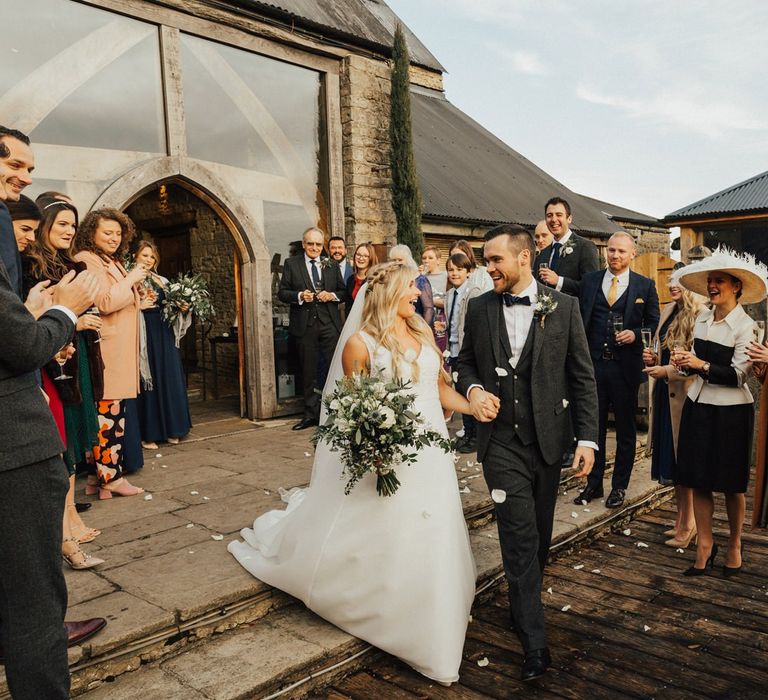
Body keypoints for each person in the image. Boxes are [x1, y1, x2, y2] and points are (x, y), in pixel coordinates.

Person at [229, 262, 478, 685]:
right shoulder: (359, 345)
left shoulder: (420, 333)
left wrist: (473, 407)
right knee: (390, 522)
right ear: (387, 294)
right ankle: (389, 608)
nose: (417, 294)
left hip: (431, 447)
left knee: (433, 524)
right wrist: (376, 449)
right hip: (392, 448)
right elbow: (354, 411)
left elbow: (437, 389)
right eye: (410, 289)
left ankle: (430, 607)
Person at [457, 224, 598, 681]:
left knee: (537, 534)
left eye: (495, 259)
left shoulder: (565, 307)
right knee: (518, 534)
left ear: (524, 258)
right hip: (499, 442)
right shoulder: (479, 308)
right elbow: (464, 364)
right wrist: (474, 390)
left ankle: (522, 604)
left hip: (548, 441)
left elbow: (581, 377)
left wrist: (589, 440)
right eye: (485, 259)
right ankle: (535, 642)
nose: (488, 267)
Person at [0, 249, 100, 700]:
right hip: (12, 448)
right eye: (14, 170)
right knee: (34, 602)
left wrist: (28, 315)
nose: (20, 177)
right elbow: (22, 348)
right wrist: (64, 310)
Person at [17, 197, 104, 564]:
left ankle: (69, 522)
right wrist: (73, 320)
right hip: (49, 354)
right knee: (61, 438)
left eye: (73, 225)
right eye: (62, 224)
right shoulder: (30, 265)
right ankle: (64, 530)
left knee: (69, 435)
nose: (68, 231)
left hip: (68, 351)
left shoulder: (67, 262)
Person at [675, 249, 767, 576]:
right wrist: (684, 364)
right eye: (711, 281)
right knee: (697, 480)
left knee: (731, 485)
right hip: (698, 406)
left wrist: (699, 364)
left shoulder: (747, 326)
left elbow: (739, 376)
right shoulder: (701, 317)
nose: (713, 286)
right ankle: (704, 543)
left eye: (720, 281)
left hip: (731, 413)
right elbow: (698, 368)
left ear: (736, 287)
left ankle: (735, 544)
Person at [576, 231, 659, 509]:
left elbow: (654, 324)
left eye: (621, 252)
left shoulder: (645, 286)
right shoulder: (589, 282)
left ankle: (619, 487)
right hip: (593, 367)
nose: (615, 256)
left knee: (625, 430)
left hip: (625, 370)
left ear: (632, 254)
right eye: (611, 251)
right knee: (594, 428)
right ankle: (594, 484)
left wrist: (636, 335)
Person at [73, 209, 147, 498]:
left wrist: (136, 290)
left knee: (108, 414)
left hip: (117, 348)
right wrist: (132, 279)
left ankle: (96, 479)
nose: (114, 238)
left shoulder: (108, 260)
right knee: (108, 417)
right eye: (107, 232)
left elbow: (120, 296)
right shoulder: (87, 260)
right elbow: (104, 301)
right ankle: (111, 479)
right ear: (91, 233)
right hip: (106, 350)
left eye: (118, 233)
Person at [642, 272, 705, 547]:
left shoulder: (701, 314)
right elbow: (664, 348)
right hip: (666, 396)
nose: (671, 286)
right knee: (674, 463)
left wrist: (665, 369)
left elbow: (696, 362)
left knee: (685, 464)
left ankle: (689, 525)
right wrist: (653, 356)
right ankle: (681, 520)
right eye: (670, 281)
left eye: (678, 282)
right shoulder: (669, 309)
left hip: (685, 399)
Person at [278, 227, 347, 430]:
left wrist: (331, 296)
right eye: (311, 244)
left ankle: (335, 414)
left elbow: (343, 292)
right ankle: (310, 415)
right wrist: (299, 296)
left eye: (318, 244)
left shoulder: (332, 265)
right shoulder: (292, 264)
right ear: (303, 244)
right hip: (304, 326)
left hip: (329, 325)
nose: (314, 247)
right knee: (308, 372)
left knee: (333, 370)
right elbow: (282, 293)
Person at [132, 240, 192, 448]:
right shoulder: (129, 278)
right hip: (144, 331)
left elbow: (172, 306)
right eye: (145, 255)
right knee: (149, 378)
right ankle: (149, 433)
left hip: (164, 331)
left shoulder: (162, 280)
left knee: (169, 376)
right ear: (135, 256)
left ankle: (173, 428)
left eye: (152, 257)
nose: (149, 260)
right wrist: (138, 306)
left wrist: (182, 308)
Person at [445, 252, 485, 454]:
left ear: (468, 272)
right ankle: (467, 432)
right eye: (451, 270)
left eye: (459, 269)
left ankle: (475, 436)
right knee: (460, 393)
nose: (454, 273)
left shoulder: (474, 292)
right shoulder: (450, 294)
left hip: (466, 351)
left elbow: (473, 326)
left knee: (469, 391)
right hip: (452, 350)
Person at [535, 196, 599, 297]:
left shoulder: (585, 247)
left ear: (569, 219)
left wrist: (559, 281)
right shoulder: (542, 253)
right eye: (549, 215)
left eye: (559, 215)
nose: (554, 219)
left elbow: (592, 287)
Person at [388, 244, 434, 327]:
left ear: (408, 260)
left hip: (416, 326)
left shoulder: (420, 280)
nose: (397, 263)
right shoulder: (390, 280)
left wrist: (425, 331)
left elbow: (428, 309)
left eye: (400, 260)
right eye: (394, 260)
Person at [421, 246, 448, 352]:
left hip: (440, 324)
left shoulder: (446, 276)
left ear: (438, 260)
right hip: (423, 323)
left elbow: (449, 302)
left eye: (430, 258)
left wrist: (430, 301)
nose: (426, 261)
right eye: (424, 258)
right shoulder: (420, 277)